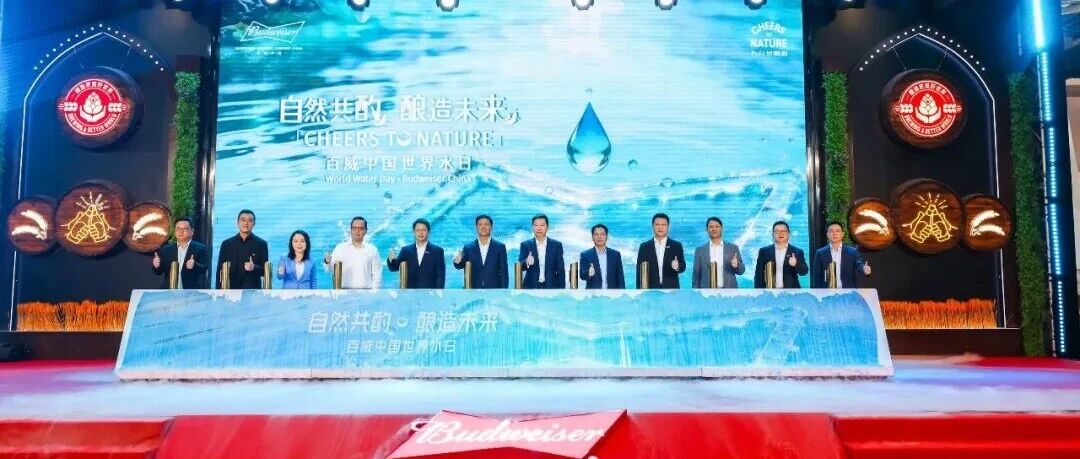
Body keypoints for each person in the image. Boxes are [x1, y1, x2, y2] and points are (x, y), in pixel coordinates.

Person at [151, 217, 210, 289]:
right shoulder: (166, 249)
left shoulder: (200, 248)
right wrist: (157, 266)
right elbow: (159, 272)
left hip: (190, 291)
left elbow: (204, 268)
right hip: (169, 291)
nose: (181, 232)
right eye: (178, 229)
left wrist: (194, 265)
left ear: (192, 231)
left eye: (185, 229)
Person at [324, 216, 382, 289]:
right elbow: (330, 270)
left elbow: (377, 274)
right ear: (350, 230)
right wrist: (327, 262)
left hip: (366, 292)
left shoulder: (372, 250)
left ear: (366, 231)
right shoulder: (340, 248)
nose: (357, 231)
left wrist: (374, 293)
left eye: (361, 228)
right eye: (354, 228)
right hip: (344, 292)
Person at [216, 209, 269, 289]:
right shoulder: (226, 244)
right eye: (243, 220)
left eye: (250, 220)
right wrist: (218, 292)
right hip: (230, 290)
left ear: (254, 224)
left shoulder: (261, 244)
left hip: (253, 291)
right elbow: (220, 270)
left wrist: (254, 267)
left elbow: (265, 271)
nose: (246, 223)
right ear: (237, 223)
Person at [452, 214, 508, 289]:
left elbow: (504, 272)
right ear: (476, 227)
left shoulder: (500, 247)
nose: (483, 227)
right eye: (480, 224)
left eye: (486, 224)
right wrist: (457, 261)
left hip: (494, 289)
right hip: (473, 289)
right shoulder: (468, 247)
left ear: (491, 227)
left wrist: (504, 291)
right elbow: (460, 266)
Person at [387, 218, 446, 288]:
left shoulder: (437, 251)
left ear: (429, 232)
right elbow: (394, 268)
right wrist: (391, 259)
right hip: (410, 292)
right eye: (418, 230)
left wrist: (439, 293)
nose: (421, 233)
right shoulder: (406, 250)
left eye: (424, 230)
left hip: (429, 292)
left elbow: (440, 276)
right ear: (414, 232)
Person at [811, 221, 871, 289]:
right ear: (827, 235)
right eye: (831, 231)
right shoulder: (820, 253)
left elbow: (859, 264)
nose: (834, 233)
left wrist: (864, 269)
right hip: (827, 292)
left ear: (842, 234)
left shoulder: (852, 252)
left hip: (847, 291)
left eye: (837, 231)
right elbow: (817, 277)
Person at [636, 213, 686, 289]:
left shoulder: (676, 245)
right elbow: (639, 271)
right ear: (653, 226)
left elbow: (683, 267)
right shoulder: (644, 247)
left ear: (668, 227)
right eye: (657, 225)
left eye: (663, 225)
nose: (660, 227)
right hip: (651, 289)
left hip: (671, 289)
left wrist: (677, 266)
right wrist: (639, 291)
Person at [691, 217, 745, 288]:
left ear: (722, 228)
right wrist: (695, 292)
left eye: (717, 226)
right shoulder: (699, 250)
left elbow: (741, 271)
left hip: (729, 291)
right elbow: (696, 275)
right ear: (706, 229)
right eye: (711, 227)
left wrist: (736, 265)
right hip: (706, 292)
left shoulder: (732, 248)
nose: (714, 229)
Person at [753, 220, 808, 288]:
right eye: (777, 231)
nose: (780, 233)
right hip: (770, 291)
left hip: (791, 291)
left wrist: (796, 264)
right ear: (773, 234)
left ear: (789, 234)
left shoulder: (797, 251)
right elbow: (758, 275)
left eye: (783, 231)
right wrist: (758, 291)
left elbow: (804, 272)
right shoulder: (764, 251)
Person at [518, 214, 565, 289]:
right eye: (536, 225)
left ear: (547, 227)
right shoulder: (525, 245)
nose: (539, 228)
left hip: (551, 287)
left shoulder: (556, 245)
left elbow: (560, 270)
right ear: (532, 227)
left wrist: (562, 290)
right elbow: (519, 267)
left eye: (542, 225)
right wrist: (526, 262)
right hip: (530, 287)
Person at [579, 223, 625, 289]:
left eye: (602, 234)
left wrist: (622, 293)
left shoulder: (615, 255)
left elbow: (620, 278)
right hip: (593, 293)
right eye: (596, 234)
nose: (599, 237)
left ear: (607, 237)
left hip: (612, 293)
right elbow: (582, 276)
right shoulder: (585, 255)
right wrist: (588, 273)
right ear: (592, 237)